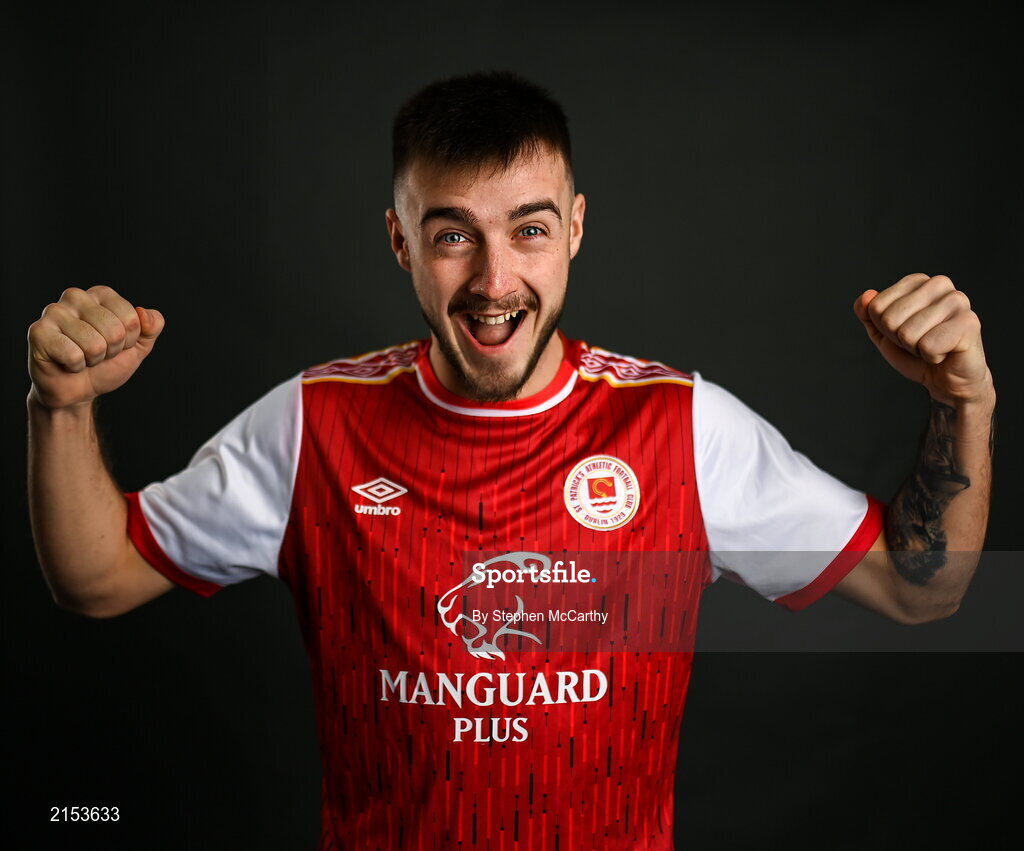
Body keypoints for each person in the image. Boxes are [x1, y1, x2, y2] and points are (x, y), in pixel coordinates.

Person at [26, 71, 995, 849]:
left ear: (573, 228)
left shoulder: (679, 429)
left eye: (529, 230)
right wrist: (59, 407)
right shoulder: (312, 425)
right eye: (453, 236)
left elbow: (923, 590)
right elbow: (96, 576)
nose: (496, 282)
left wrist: (964, 402)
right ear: (399, 241)